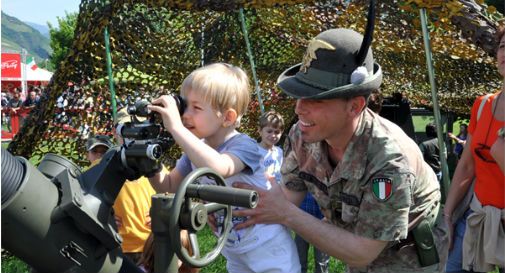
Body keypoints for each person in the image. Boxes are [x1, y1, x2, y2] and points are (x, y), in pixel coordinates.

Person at [233, 28, 441, 272]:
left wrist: (287, 215)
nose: (299, 109)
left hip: (407, 256)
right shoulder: (304, 134)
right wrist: (234, 213)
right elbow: (288, 196)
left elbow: (362, 252)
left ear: (354, 106)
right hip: (352, 244)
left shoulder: (389, 161)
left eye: (316, 99)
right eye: (299, 95)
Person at [147, 63, 300, 273]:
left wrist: (175, 127)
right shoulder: (196, 150)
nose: (185, 115)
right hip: (234, 251)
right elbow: (169, 186)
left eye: (196, 108)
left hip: (268, 248)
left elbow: (219, 167)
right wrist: (149, 161)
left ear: (227, 117)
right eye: (184, 106)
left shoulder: (245, 146)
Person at [443, 25, 505, 273]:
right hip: (477, 217)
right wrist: (447, 216)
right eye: (503, 46)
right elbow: (467, 165)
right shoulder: (482, 105)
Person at [112, 108, 157, 265]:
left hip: (151, 247)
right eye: (128, 129)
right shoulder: (102, 167)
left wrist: (162, 216)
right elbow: (85, 200)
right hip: (115, 247)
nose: (133, 136)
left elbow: (173, 199)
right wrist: (102, 217)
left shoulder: (158, 169)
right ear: (116, 131)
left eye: (139, 130)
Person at [257, 110, 285, 184]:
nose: (273, 135)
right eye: (269, 131)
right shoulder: (254, 151)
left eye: (277, 132)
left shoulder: (279, 151)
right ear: (260, 130)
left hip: (277, 190)